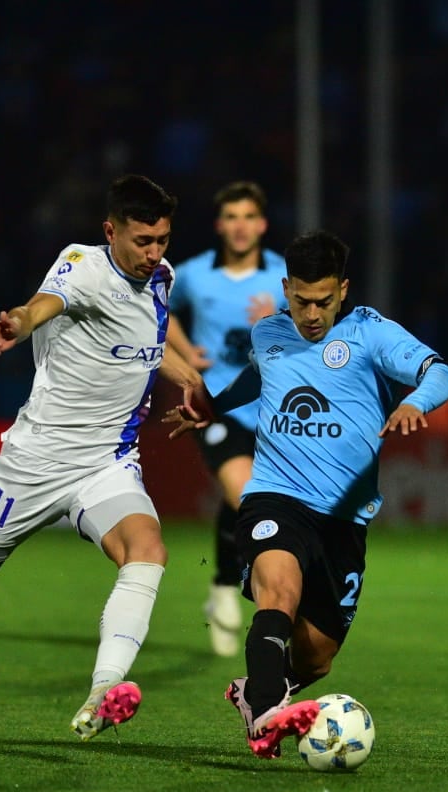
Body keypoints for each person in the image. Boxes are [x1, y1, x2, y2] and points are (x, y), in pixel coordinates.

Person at [0, 174, 209, 741]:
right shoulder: (82, 265)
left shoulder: (161, 279)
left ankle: (104, 689)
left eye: (162, 240)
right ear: (110, 231)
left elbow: (143, 349)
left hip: (106, 461)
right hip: (36, 462)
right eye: (142, 240)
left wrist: (188, 379)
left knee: (147, 550)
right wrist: (18, 322)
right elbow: (44, 305)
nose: (153, 253)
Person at [165, 230, 448, 758]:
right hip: (275, 496)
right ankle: (264, 713)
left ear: (343, 290)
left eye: (324, 300)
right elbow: (259, 379)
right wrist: (212, 404)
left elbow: (441, 372)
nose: (312, 313)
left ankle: (257, 690)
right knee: (279, 592)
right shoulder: (269, 332)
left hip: (344, 518)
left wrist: (417, 402)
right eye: (301, 300)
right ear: (286, 289)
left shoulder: (371, 334)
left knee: (317, 658)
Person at [165, 181, 288, 657]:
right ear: (221, 225)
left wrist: (276, 321)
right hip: (217, 402)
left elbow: (312, 332)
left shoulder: (282, 276)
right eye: (231, 217)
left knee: (244, 498)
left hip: (271, 408)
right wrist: (183, 351)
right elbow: (161, 307)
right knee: (245, 493)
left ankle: (220, 587)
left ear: (262, 224)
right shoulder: (194, 275)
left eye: (248, 217)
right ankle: (249, 591)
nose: (240, 226)